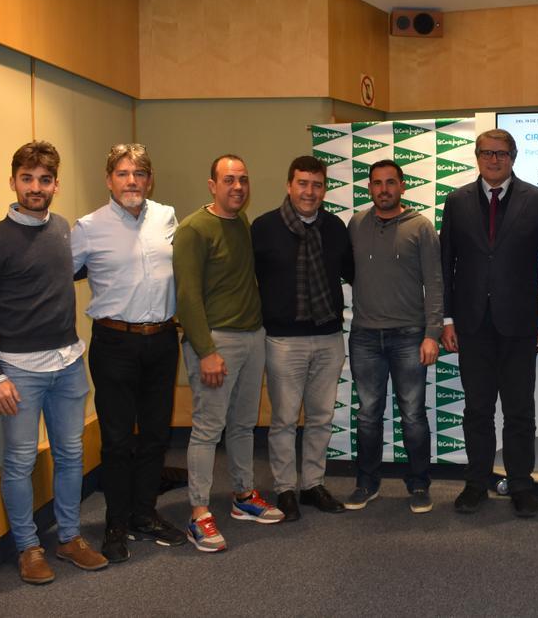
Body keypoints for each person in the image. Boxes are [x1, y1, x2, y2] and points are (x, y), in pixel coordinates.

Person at [0, 141, 107, 584]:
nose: (35, 187)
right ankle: (28, 548)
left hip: (68, 364)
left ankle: (68, 537)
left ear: (55, 185)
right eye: (27, 179)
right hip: (18, 372)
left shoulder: (63, 228)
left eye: (44, 180)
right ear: (13, 182)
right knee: (20, 461)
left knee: (70, 454)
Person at [439, 128, 538, 518]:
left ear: (514, 157)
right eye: (486, 153)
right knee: (477, 409)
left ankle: (521, 485)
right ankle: (476, 483)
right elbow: (446, 265)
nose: (493, 160)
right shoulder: (456, 201)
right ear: (476, 156)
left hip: (520, 323)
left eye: (501, 154)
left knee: (518, 411)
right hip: (472, 324)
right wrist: (446, 318)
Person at [71, 143, 186, 562]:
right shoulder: (87, 227)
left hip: (161, 340)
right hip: (114, 343)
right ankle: (116, 522)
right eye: (122, 174)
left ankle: (145, 514)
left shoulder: (166, 216)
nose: (131, 181)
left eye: (139, 173)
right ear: (109, 180)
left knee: (157, 434)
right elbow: (57, 277)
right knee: (118, 439)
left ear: (149, 179)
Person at [174, 154, 282, 553]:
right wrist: (206, 351)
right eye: (229, 180)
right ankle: (199, 513)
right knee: (206, 429)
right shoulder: (193, 230)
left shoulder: (240, 224)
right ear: (212, 185)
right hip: (215, 343)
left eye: (243, 180)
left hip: (252, 337)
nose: (237, 187)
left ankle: (242, 497)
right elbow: (186, 297)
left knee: (242, 425)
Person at [251, 155, 354, 520]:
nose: (310, 192)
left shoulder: (336, 228)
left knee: (322, 417)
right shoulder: (263, 228)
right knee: (283, 419)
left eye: (317, 184)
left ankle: (312, 484)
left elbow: (354, 275)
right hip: (283, 340)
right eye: (303, 183)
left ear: (325, 188)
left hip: (328, 337)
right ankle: (284, 489)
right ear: (289, 185)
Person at [343, 159, 443, 514]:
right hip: (365, 337)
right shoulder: (356, 224)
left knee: (413, 414)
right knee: (368, 414)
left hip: (409, 337)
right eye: (376, 183)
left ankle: (419, 485)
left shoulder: (421, 227)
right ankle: (366, 484)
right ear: (369, 188)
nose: (383, 189)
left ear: (402, 186)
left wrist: (432, 334)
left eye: (390, 182)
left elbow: (434, 283)